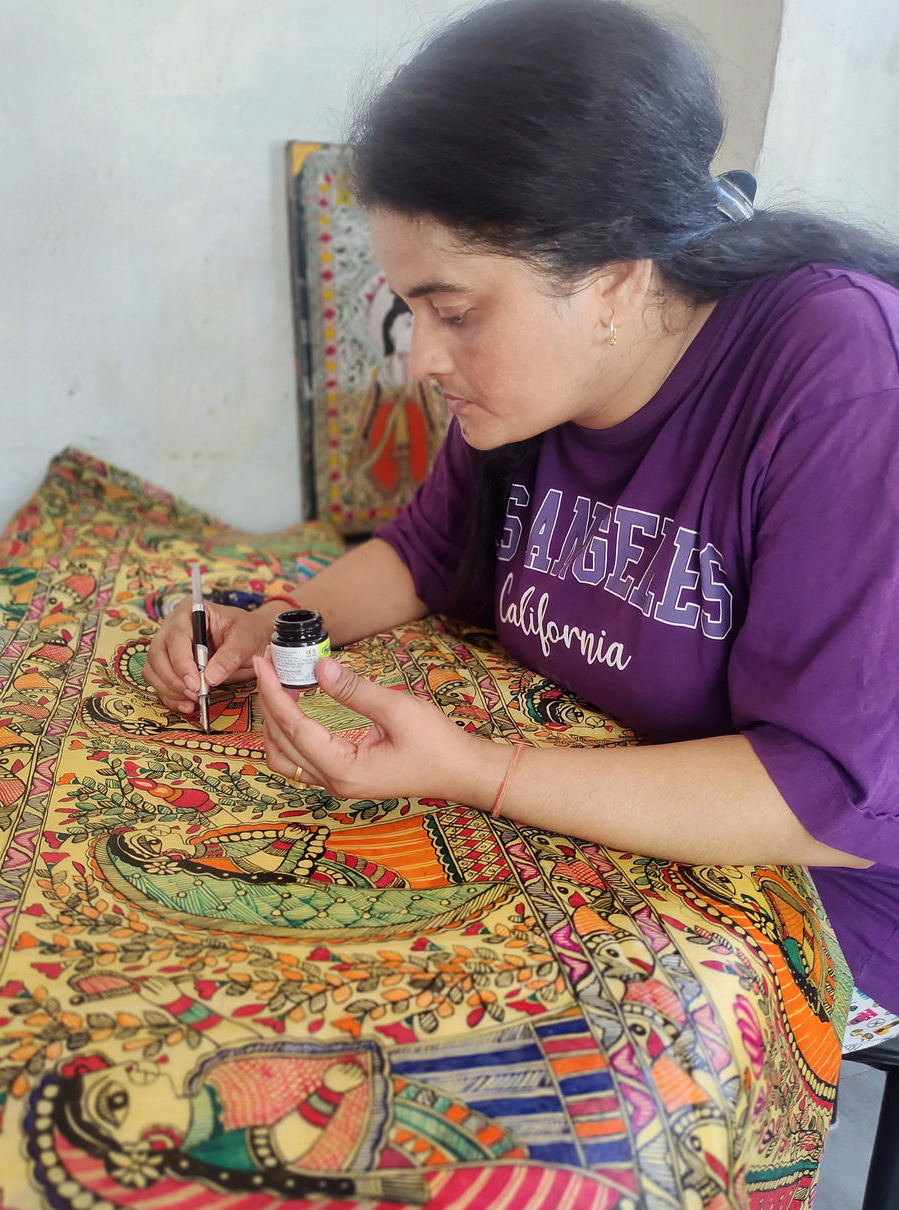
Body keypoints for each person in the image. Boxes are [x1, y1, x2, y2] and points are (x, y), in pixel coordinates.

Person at [144, 0, 899, 1017]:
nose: (420, 360)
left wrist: (478, 772)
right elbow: (421, 551)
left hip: (813, 896)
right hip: (585, 825)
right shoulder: (532, 391)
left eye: (452, 312)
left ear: (614, 283)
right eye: (410, 312)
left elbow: (822, 792)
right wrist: (266, 627)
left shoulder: (833, 371)